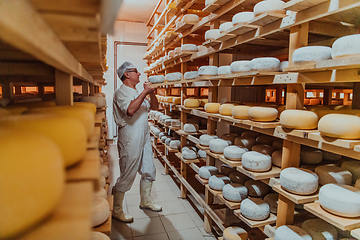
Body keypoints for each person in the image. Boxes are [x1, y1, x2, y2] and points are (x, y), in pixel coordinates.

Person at [112, 61, 161, 223]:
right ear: (127, 74)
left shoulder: (137, 91)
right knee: (128, 173)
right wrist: (145, 92)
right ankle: (117, 210)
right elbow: (130, 110)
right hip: (130, 137)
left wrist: (151, 93)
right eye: (136, 71)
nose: (139, 74)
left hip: (144, 136)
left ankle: (145, 201)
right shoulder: (121, 93)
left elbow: (155, 107)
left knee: (148, 169)